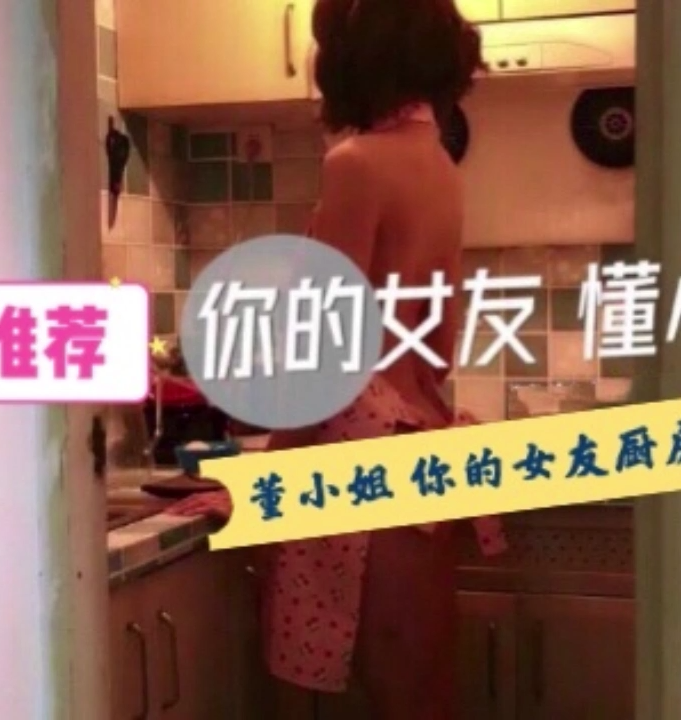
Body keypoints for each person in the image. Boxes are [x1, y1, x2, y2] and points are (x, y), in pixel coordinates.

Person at [170, 1, 506, 718]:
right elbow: (437, 349)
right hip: (424, 451)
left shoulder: (356, 165)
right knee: (424, 699)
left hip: (363, 467)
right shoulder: (440, 165)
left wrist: (261, 486)